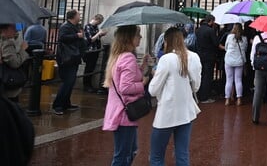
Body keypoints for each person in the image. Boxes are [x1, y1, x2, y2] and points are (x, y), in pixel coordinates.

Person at [149, 27, 202, 166]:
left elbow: (152, 90)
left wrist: (154, 75)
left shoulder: (167, 59)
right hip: (186, 111)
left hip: (167, 112)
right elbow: (196, 87)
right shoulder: (194, 57)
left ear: (167, 41)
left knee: (156, 156)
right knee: (182, 154)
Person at [102, 25, 149, 166]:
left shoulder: (119, 56)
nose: (140, 38)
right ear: (130, 38)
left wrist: (142, 65)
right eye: (138, 35)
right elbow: (125, 87)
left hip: (120, 111)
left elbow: (128, 76)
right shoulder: (128, 57)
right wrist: (144, 83)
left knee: (130, 151)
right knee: (123, 156)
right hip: (124, 114)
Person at [52, 9, 84, 115]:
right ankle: (58, 105)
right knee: (67, 82)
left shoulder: (76, 27)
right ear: (73, 16)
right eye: (78, 14)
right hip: (66, 58)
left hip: (73, 57)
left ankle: (66, 103)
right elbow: (62, 38)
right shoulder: (65, 26)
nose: (80, 16)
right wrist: (77, 36)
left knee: (71, 82)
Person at [0, 23, 29, 101]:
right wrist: (23, 49)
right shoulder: (6, 43)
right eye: (13, 27)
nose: (16, 29)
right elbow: (14, 63)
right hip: (7, 86)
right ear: (5, 29)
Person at [221, 23, 247, 106]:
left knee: (229, 80)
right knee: (238, 80)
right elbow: (245, 49)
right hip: (239, 60)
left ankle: (227, 100)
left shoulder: (229, 37)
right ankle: (239, 99)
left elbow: (226, 47)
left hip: (229, 60)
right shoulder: (244, 38)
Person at [195, 15, 219, 103]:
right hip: (209, 56)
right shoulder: (211, 30)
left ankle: (199, 94)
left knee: (200, 75)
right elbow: (216, 43)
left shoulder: (198, 30)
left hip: (200, 55)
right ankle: (204, 97)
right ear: (211, 21)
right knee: (207, 76)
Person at [82, 14, 106, 93]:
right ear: (96, 19)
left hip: (95, 50)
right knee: (88, 68)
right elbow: (90, 40)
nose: (99, 23)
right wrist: (99, 33)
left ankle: (89, 85)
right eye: (99, 21)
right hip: (89, 51)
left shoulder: (95, 27)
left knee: (92, 68)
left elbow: (95, 38)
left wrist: (101, 35)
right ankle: (86, 85)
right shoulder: (88, 27)